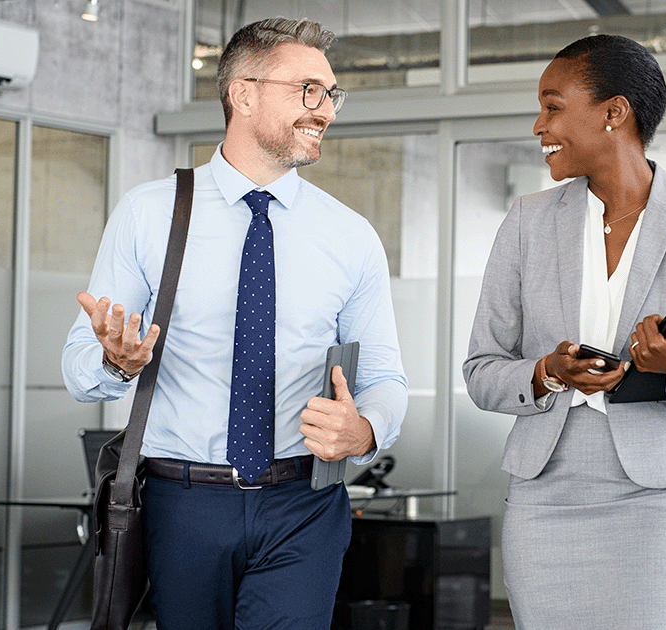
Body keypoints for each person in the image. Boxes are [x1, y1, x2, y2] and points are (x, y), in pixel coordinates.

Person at [62, 17, 407, 630]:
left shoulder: (350, 237)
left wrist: (365, 429)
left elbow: (384, 377)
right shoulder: (149, 213)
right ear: (242, 93)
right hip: (182, 503)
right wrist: (117, 360)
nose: (324, 109)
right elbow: (79, 367)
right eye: (307, 90)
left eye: (330, 94)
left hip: (305, 503)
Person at [462, 34, 666, 629]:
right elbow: (482, 371)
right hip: (544, 494)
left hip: (660, 503)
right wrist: (547, 372)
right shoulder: (528, 221)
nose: (538, 124)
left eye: (553, 106)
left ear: (614, 112)